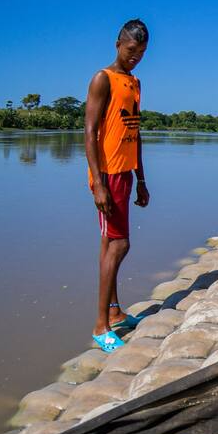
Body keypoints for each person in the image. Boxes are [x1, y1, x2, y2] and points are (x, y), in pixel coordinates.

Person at [84, 19, 151, 352]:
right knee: (119, 244)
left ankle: (114, 311)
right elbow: (89, 131)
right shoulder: (103, 79)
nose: (135, 57)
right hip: (108, 174)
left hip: (125, 173)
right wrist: (98, 183)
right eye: (131, 50)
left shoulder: (135, 82)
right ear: (118, 44)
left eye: (141, 52)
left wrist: (141, 179)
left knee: (108, 244)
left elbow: (134, 133)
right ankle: (101, 326)